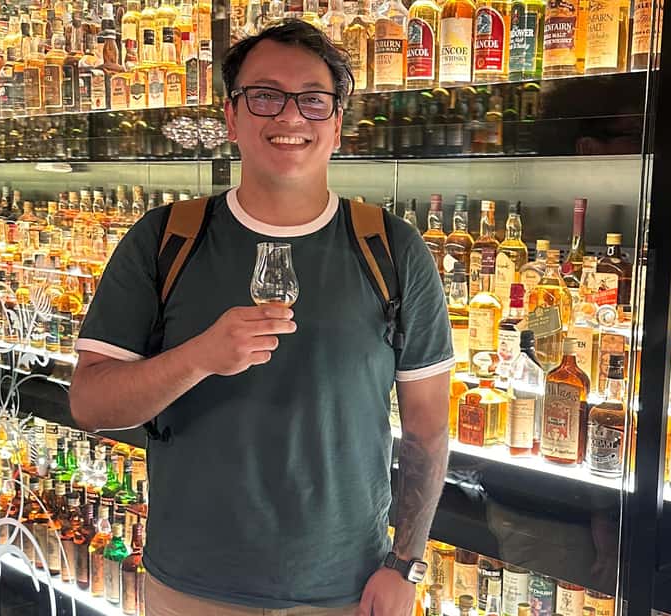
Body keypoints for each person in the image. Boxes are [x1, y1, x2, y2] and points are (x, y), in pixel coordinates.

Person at [69, 20, 453, 616]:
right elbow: (90, 404)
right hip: (190, 587)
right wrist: (198, 357)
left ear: (337, 124)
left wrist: (405, 564)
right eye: (265, 96)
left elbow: (428, 429)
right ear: (231, 116)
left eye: (313, 99)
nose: (291, 116)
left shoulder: (392, 250)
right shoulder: (165, 239)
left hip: (344, 589)